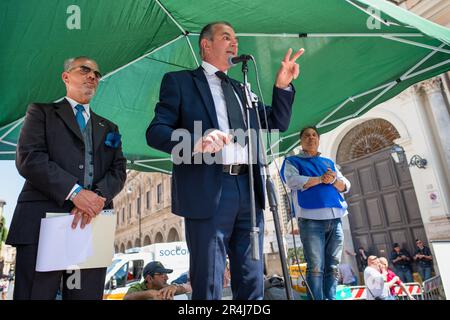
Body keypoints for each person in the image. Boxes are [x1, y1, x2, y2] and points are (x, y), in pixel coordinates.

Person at [146, 21, 303, 300]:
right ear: (206, 45)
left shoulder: (242, 89)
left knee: (252, 278)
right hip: (209, 190)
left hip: (249, 190)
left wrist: (282, 86)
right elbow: (156, 132)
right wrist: (195, 142)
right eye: (226, 37)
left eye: (236, 39)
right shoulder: (180, 82)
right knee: (209, 280)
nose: (235, 43)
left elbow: (276, 121)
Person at [5, 56, 127, 300]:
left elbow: (118, 169)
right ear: (66, 77)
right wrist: (76, 193)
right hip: (42, 222)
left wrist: (96, 199)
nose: (93, 76)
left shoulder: (109, 128)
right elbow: (30, 158)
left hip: (92, 223)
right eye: (85, 69)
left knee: (86, 296)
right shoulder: (41, 112)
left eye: (97, 73)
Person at [281, 126, 351, 300]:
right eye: (306, 135)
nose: (311, 138)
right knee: (316, 267)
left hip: (335, 219)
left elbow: (346, 185)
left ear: (318, 139)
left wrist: (333, 179)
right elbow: (292, 181)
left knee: (333, 266)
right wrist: (320, 179)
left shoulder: (329, 162)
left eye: (314, 135)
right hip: (311, 220)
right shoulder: (292, 161)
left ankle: (330, 297)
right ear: (301, 141)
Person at [123, 261, 189, 300]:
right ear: (149, 279)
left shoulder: (164, 287)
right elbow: (127, 297)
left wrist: (175, 287)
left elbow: (184, 289)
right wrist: (149, 294)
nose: (166, 277)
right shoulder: (137, 288)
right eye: (162, 274)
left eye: (166, 274)